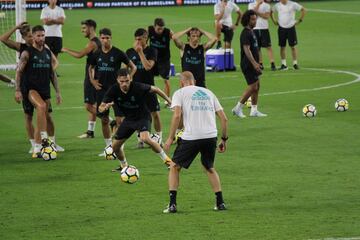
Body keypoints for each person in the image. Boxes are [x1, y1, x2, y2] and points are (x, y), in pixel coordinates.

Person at [163, 71, 228, 213]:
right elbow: (224, 119)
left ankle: (172, 205)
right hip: (211, 136)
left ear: (181, 82)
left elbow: (177, 115)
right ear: (194, 81)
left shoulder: (179, 93)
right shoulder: (208, 93)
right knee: (209, 167)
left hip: (191, 137)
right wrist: (224, 139)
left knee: (174, 167)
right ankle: (220, 202)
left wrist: (170, 138)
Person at [1, 22, 63, 154]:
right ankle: (36, 144)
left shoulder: (45, 50)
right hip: (28, 87)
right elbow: (18, 71)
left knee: (48, 116)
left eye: (42, 35)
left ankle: (51, 143)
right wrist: (17, 90)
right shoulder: (24, 50)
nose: (36, 38)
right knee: (32, 114)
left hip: (44, 86)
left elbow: (53, 69)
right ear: (27, 37)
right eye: (32, 36)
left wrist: (58, 91)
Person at [98, 68, 173, 171]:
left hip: (143, 116)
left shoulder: (138, 87)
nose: (124, 84)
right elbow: (100, 108)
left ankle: (168, 161)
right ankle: (124, 166)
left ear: (131, 79)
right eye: (122, 81)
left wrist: (169, 101)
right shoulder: (113, 90)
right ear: (117, 80)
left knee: (145, 138)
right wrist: (104, 107)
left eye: (127, 81)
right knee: (115, 147)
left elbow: (155, 89)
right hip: (129, 120)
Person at [89, 28, 136, 156]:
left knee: (120, 120)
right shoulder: (96, 53)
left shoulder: (118, 53)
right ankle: (109, 147)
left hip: (116, 91)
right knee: (104, 119)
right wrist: (92, 81)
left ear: (111, 38)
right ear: (100, 38)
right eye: (102, 38)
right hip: (102, 91)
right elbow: (91, 67)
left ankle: (119, 147)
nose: (105, 40)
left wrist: (127, 81)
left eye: (107, 38)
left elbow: (133, 67)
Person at [62, 19, 102, 139]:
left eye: (84, 28)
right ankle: (90, 131)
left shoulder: (92, 43)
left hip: (92, 76)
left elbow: (80, 55)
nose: (82, 31)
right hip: (97, 73)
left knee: (89, 106)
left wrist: (65, 49)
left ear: (91, 28)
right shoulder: (98, 41)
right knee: (93, 104)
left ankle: (110, 121)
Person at [126, 28, 163, 148]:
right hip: (135, 89)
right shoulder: (130, 51)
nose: (137, 41)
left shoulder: (152, 50)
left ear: (145, 38)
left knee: (155, 114)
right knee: (138, 115)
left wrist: (140, 52)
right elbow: (126, 68)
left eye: (140, 39)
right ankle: (140, 140)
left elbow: (148, 67)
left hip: (148, 88)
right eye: (136, 39)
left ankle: (159, 138)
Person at [232, 10, 267, 118]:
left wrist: (258, 62)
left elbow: (255, 49)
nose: (255, 21)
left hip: (253, 63)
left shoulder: (251, 32)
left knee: (257, 86)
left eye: (255, 19)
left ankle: (254, 110)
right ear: (247, 20)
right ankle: (237, 108)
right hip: (248, 64)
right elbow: (247, 50)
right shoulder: (245, 33)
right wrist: (254, 63)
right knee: (253, 86)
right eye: (252, 19)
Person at [270, 0, 306, 70]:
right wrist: (274, 20)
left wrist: (300, 20)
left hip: (291, 28)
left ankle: (295, 63)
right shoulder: (277, 5)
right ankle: (283, 64)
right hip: (281, 28)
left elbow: (303, 10)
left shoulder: (293, 4)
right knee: (282, 46)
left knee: (293, 46)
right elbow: (271, 11)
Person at [148, 18, 173, 107]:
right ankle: (153, 99)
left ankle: (167, 100)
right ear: (154, 26)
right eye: (158, 28)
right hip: (152, 58)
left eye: (162, 28)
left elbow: (175, 39)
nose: (160, 30)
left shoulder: (168, 32)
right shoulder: (149, 30)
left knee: (166, 80)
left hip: (164, 59)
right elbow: (144, 40)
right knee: (150, 78)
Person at [248, 0, 276, 71]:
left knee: (268, 46)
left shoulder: (267, 5)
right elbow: (251, 16)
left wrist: (256, 13)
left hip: (264, 28)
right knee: (257, 48)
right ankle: (260, 64)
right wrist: (258, 5)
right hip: (255, 29)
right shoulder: (251, 4)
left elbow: (266, 16)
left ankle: (272, 63)